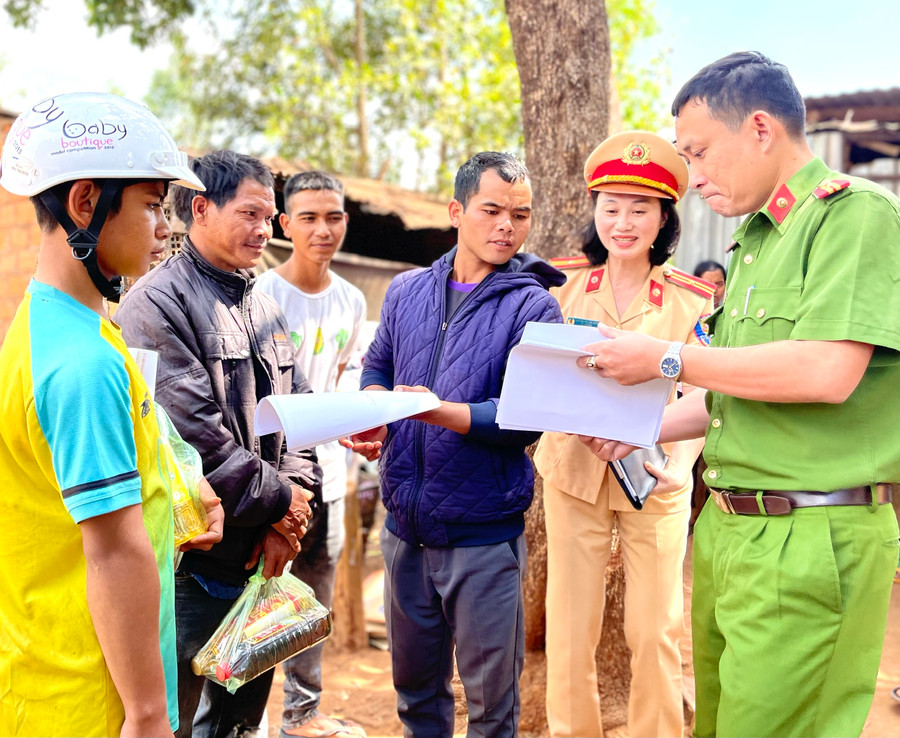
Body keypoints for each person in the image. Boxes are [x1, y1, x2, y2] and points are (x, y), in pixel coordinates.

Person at [577, 51, 900, 738]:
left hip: (810, 535)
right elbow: (732, 390)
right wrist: (647, 428)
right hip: (729, 530)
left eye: (697, 154)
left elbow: (825, 371)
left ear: (758, 129)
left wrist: (665, 356)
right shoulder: (752, 243)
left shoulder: (854, 218)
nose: (691, 180)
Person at [0, 91, 222, 737]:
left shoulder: (58, 327)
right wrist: (149, 714)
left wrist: (187, 485)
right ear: (86, 203)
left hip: (49, 667)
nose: (164, 226)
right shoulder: (82, 365)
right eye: (152, 204)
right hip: (91, 698)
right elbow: (113, 552)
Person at [343, 151, 565, 738]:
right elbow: (377, 370)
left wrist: (437, 412)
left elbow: (524, 419)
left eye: (520, 215)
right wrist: (375, 417)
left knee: (492, 709)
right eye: (491, 210)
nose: (506, 227)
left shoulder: (534, 304)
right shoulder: (406, 291)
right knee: (416, 696)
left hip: (484, 537)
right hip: (404, 532)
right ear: (455, 211)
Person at [115, 149, 321, 738]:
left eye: (269, 216)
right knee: (178, 719)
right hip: (193, 562)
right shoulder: (155, 304)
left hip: (263, 558)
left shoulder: (264, 305)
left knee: (239, 722)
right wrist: (284, 504)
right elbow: (194, 438)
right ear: (200, 209)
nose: (265, 230)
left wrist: (290, 514)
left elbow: (299, 413)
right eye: (251, 214)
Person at [534, 131, 713, 738]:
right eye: (610, 207)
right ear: (594, 211)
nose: (623, 222)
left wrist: (681, 464)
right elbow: (534, 373)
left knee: (654, 627)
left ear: (664, 218)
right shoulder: (559, 286)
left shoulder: (693, 300)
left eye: (640, 209)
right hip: (573, 473)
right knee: (570, 623)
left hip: (656, 478)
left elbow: (704, 392)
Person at [255, 171, 368, 738]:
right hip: (271, 475)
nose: (323, 230)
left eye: (334, 217)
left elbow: (346, 383)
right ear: (284, 224)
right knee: (258, 592)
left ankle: (300, 716)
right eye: (308, 217)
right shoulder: (262, 297)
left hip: (331, 471)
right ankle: (237, 719)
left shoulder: (352, 300)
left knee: (314, 595)